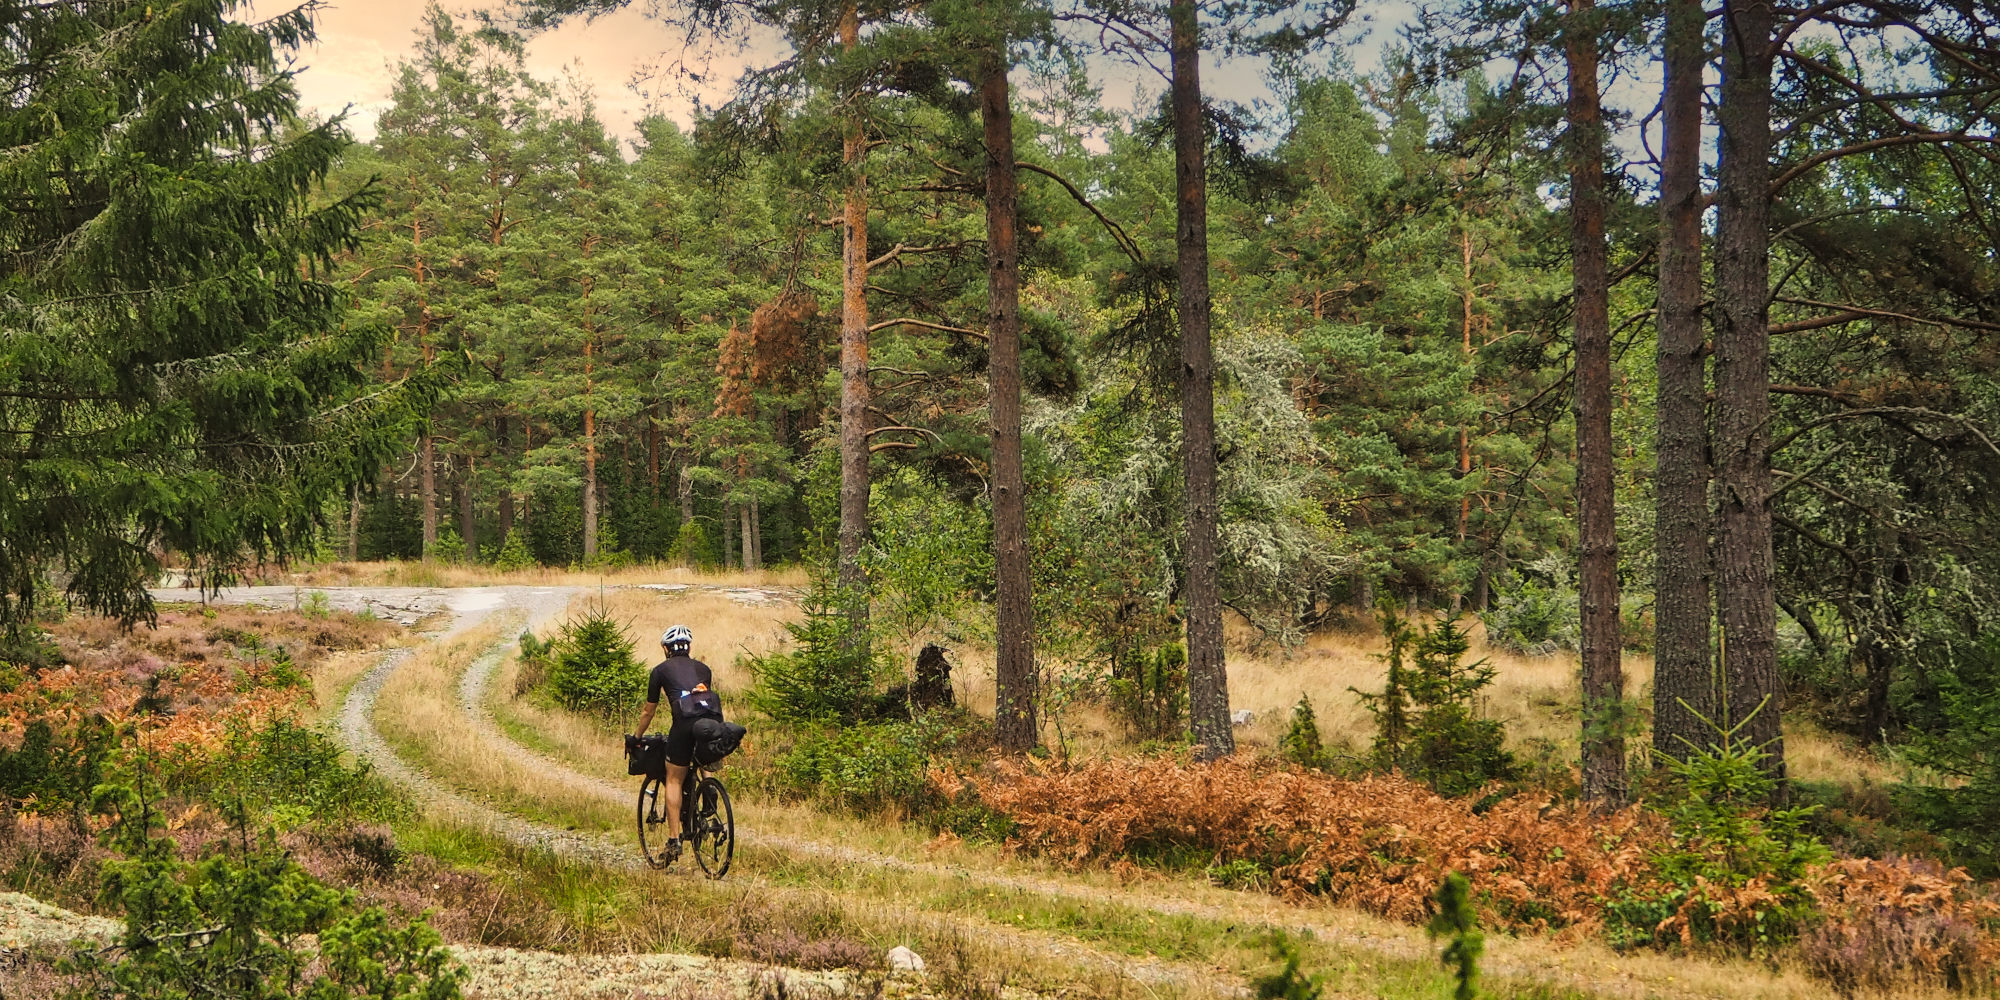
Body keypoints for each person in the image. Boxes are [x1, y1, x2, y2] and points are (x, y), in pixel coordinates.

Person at [633, 623, 712, 859]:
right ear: (688, 647)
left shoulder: (660, 670)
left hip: (683, 725)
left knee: (674, 778)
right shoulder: (704, 668)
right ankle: (709, 795)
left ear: (667, 649)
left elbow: (649, 711)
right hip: (710, 725)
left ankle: (674, 839)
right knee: (705, 762)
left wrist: (636, 737)